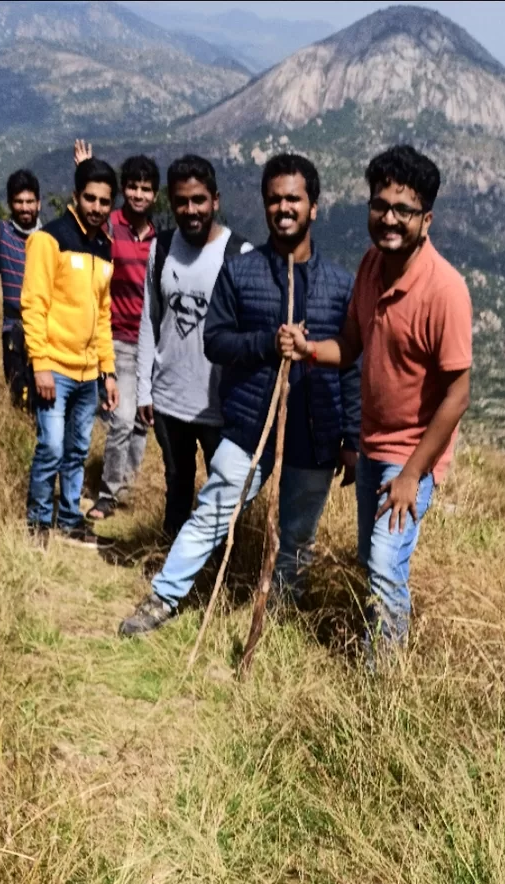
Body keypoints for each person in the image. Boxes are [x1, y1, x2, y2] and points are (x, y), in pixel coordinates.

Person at [118, 153, 358, 638]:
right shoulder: (241, 272)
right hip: (250, 426)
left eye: (294, 198)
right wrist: (269, 343)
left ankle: (281, 616)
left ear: (314, 207)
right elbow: (217, 341)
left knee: (298, 534)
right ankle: (165, 596)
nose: (283, 208)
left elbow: (352, 363)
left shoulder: (339, 284)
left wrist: (352, 435)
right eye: (274, 199)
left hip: (316, 431)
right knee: (212, 512)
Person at [282, 145, 471, 662]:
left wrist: (413, 474)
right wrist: (309, 350)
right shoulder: (370, 266)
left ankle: (380, 683)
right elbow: (350, 344)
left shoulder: (445, 289)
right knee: (371, 559)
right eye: (380, 205)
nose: (388, 218)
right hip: (371, 444)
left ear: (426, 219)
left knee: (386, 564)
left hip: (411, 455)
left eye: (403, 210)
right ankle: (378, 654)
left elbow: (458, 393)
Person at [135, 154, 249, 539]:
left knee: (223, 495)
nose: (190, 210)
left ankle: (216, 569)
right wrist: (143, 389)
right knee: (177, 484)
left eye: (199, 200)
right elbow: (150, 321)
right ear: (170, 201)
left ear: (215, 199)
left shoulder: (239, 256)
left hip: (220, 406)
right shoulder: (162, 247)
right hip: (169, 401)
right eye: (181, 201)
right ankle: (169, 560)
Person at [21, 156, 118, 544]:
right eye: (90, 199)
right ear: (75, 196)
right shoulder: (50, 239)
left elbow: (104, 315)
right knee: (51, 446)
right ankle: (39, 521)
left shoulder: (104, 247)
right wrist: (41, 364)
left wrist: (108, 371)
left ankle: (69, 519)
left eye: (104, 201)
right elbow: (34, 304)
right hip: (55, 370)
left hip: (89, 373)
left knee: (77, 449)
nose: (96, 208)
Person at [86, 152, 159, 519]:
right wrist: (83, 169)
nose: (138, 194)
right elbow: (85, 226)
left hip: (151, 344)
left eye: (146, 189)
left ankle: (126, 485)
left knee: (143, 422)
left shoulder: (160, 240)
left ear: (155, 196)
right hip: (117, 339)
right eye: (132, 186)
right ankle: (108, 493)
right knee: (123, 418)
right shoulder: (111, 226)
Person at [0, 168, 42, 409]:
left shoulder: (50, 237)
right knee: (17, 394)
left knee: (43, 394)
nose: (25, 208)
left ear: (39, 203)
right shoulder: (2, 233)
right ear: (10, 204)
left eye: (30, 201)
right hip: (13, 328)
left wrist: (83, 170)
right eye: (19, 202)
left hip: (44, 328)